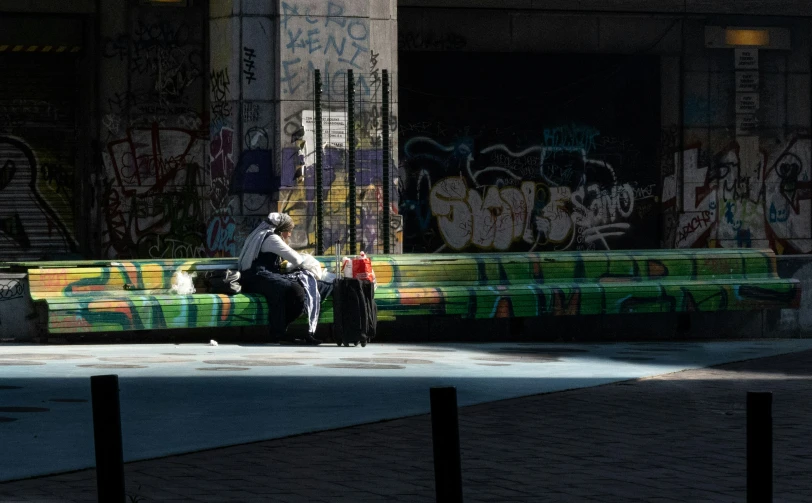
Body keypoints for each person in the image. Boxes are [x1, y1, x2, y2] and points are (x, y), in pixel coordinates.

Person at [237, 212, 328, 345]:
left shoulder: (260, 235)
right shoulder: (271, 238)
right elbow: (296, 259)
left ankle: (279, 332)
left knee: (281, 292)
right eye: (289, 231)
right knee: (295, 290)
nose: (290, 234)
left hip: (254, 277)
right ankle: (279, 331)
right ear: (281, 229)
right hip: (258, 277)